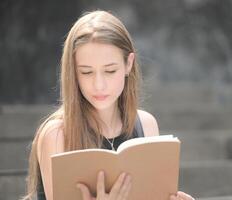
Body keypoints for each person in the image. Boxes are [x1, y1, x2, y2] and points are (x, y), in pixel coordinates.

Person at [21, 10, 194, 200]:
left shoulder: (146, 125)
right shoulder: (57, 134)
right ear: (73, 72)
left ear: (128, 64)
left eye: (110, 71)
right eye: (86, 72)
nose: (99, 85)